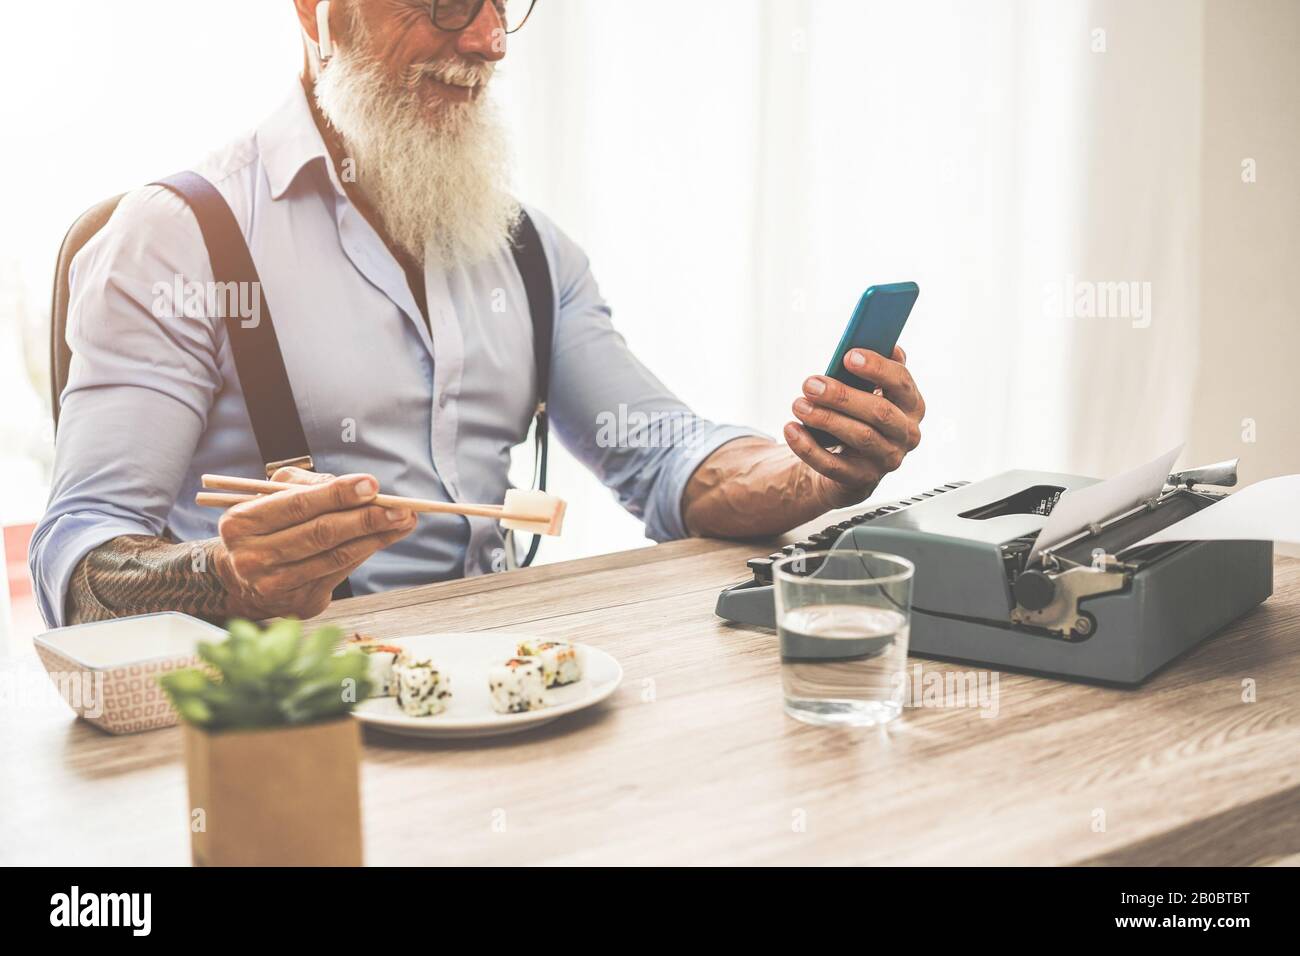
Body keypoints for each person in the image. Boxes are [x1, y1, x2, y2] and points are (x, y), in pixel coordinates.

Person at [31, 0, 925, 627]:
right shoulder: (178, 238)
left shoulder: (532, 251)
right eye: (449, 0)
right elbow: (77, 564)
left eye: (501, 2)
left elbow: (667, 462)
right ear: (316, 11)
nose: (491, 40)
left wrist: (816, 472)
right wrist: (226, 577)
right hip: (284, 734)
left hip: (504, 707)